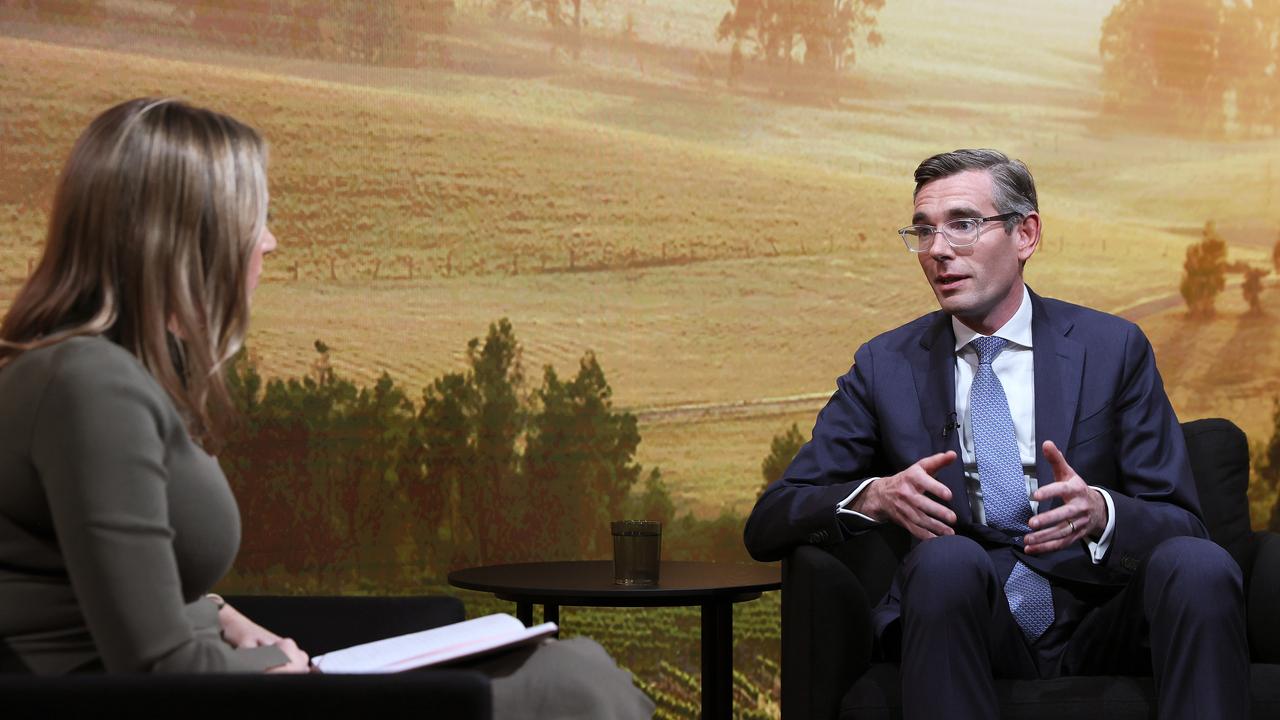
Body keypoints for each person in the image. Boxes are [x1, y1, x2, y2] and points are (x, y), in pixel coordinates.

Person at [0, 97, 654, 719]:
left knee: (566, 665)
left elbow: (107, 587)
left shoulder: (98, 378)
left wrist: (220, 612)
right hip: (197, 700)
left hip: (226, 674)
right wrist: (275, 666)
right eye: (252, 221)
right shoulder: (91, 391)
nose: (269, 243)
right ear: (184, 244)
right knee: (581, 683)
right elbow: (156, 673)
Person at [744, 149, 1249, 720]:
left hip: (1102, 617)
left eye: (962, 224)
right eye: (923, 231)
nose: (937, 251)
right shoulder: (885, 366)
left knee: (1200, 567)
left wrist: (1102, 513)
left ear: (1025, 234)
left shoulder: (1114, 349)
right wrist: (876, 496)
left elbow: (1186, 524)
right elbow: (769, 520)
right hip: (964, 619)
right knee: (945, 561)